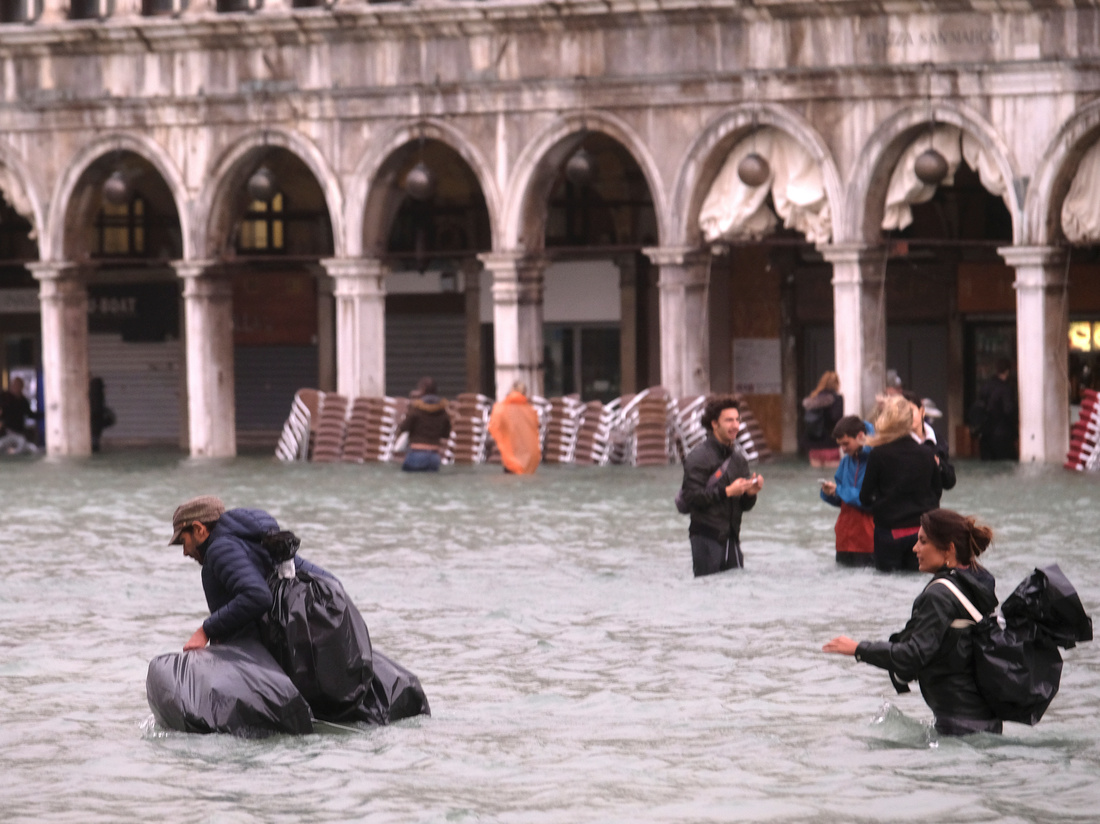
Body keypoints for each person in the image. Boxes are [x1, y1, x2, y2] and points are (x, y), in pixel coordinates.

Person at [823, 508, 1001, 736]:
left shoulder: (939, 595)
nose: (915, 548)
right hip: (984, 719)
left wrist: (858, 649)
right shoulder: (976, 583)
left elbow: (913, 655)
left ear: (949, 549)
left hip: (959, 725)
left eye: (923, 541)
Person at [169, 495, 332, 651]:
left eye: (183, 541)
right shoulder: (255, 542)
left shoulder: (220, 550)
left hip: (261, 654)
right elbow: (329, 582)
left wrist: (205, 631)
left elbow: (258, 595)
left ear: (199, 529)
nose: (185, 552)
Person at [678, 395, 764, 577]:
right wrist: (727, 492)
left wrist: (751, 494)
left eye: (737, 420)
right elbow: (692, 497)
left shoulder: (739, 459)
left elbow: (745, 506)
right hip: (705, 537)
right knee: (708, 593)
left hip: (732, 538)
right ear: (714, 424)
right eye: (729, 420)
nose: (735, 425)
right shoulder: (698, 457)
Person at [860, 395, 942, 572]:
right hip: (920, 533)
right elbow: (937, 491)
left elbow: (864, 496)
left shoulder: (878, 454)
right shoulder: (927, 453)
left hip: (889, 532)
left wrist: (882, 506)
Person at [819, 415, 874, 567]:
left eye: (846, 443)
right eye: (840, 445)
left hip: (869, 541)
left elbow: (872, 500)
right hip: (844, 540)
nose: (843, 449)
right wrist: (831, 493)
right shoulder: (845, 462)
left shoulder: (877, 459)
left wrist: (840, 491)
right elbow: (842, 498)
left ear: (860, 436)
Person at [902, 389, 955, 492]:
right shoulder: (893, 441)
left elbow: (949, 481)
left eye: (910, 411)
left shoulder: (937, 440)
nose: (906, 416)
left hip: (930, 504)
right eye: (901, 413)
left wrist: (938, 464)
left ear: (922, 411)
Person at [397, 376, 452, 472]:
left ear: (423, 389)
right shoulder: (443, 411)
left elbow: (404, 427)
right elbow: (446, 434)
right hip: (434, 457)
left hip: (416, 453)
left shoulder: (416, 409)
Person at [488, 380, 541, 474]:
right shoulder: (531, 411)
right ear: (525, 393)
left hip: (511, 460)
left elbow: (494, 427)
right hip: (530, 461)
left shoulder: (501, 409)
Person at [970, 358, 1018, 461]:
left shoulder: (986, 386)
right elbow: (1008, 411)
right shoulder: (1006, 389)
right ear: (1007, 371)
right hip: (1002, 437)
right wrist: (1015, 432)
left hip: (985, 436)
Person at [801, 370, 844, 467]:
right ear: (836, 384)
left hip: (814, 445)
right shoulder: (837, 399)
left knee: (816, 479)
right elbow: (837, 419)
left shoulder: (812, 400)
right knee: (832, 478)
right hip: (830, 445)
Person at [0, 377, 36, 453]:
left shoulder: (23, 401)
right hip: (6, 430)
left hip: (19, 430)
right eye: (15, 385)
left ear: (22, 387)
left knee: (22, 445)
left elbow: (29, 414)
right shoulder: (5, 397)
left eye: (19, 385)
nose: (16, 387)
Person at [89, 376, 116, 453]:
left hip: (94, 422)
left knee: (94, 440)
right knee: (94, 441)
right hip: (96, 422)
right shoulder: (98, 395)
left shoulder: (92, 394)